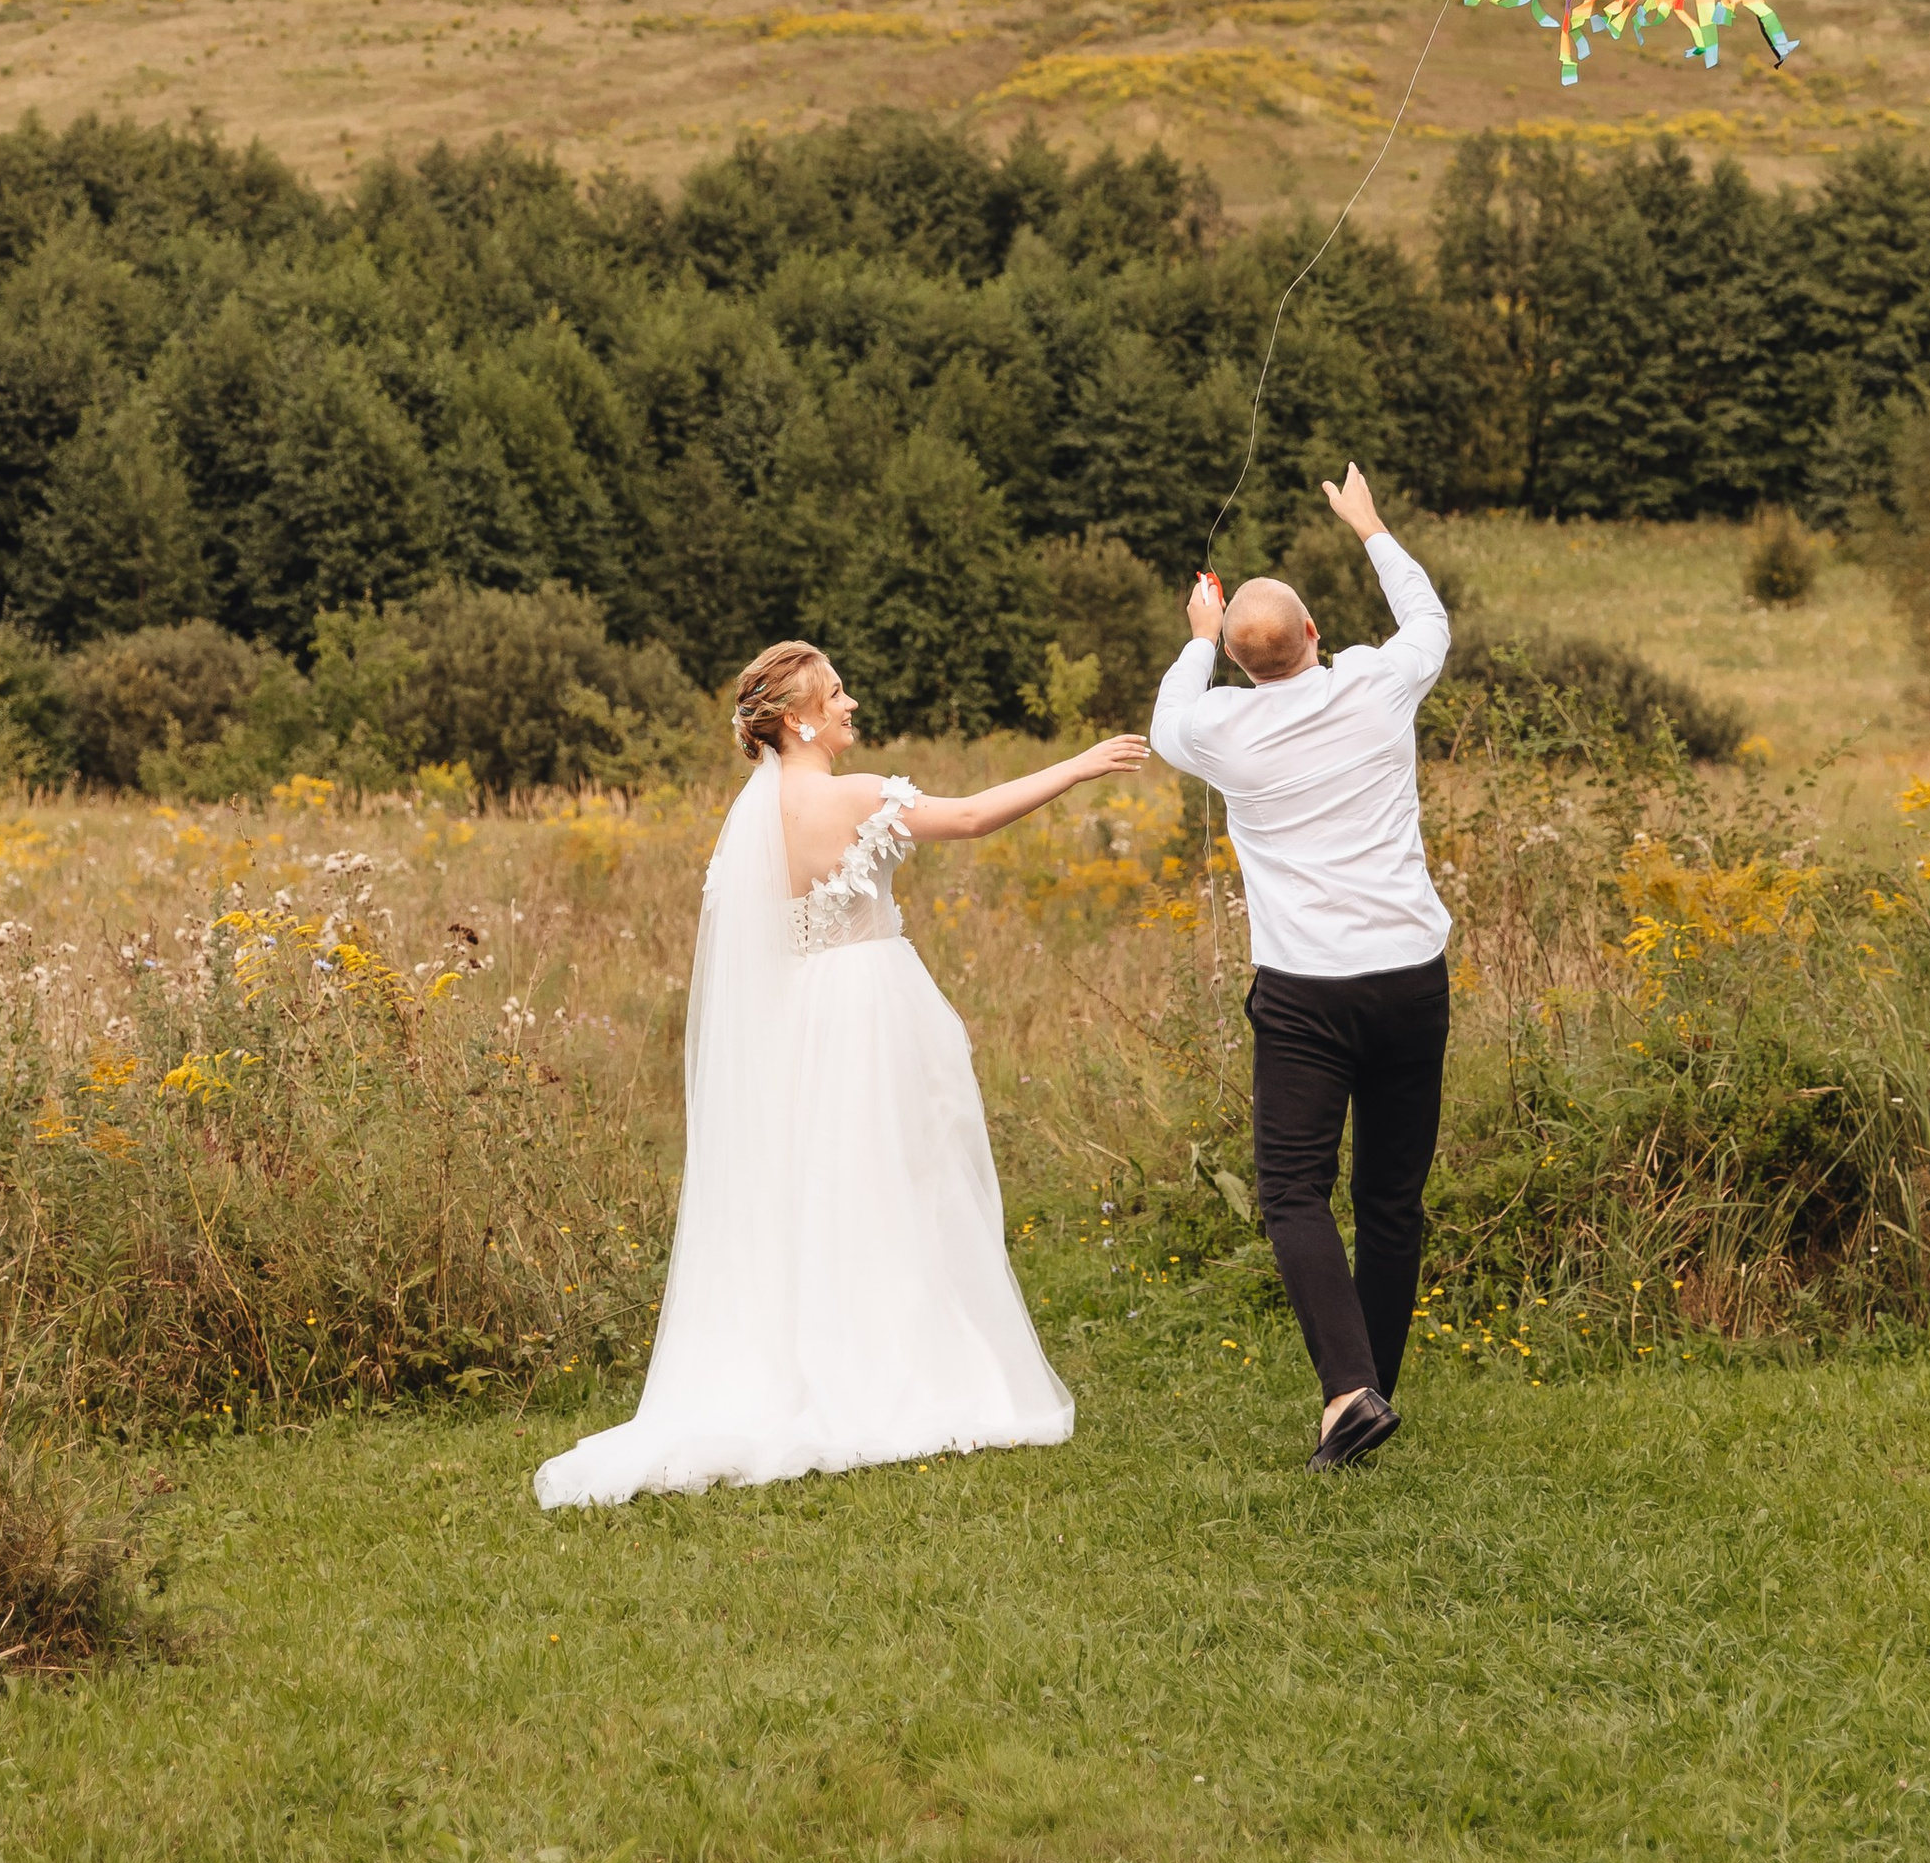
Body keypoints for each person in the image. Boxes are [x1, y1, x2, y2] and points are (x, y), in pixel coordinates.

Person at [532, 642, 1148, 1509]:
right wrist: (1078, 766)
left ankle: (830, 1359)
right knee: (903, 1185)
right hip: (870, 1006)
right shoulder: (853, 797)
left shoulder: (753, 821)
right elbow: (973, 818)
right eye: (835, 693)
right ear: (796, 720)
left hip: (800, 1018)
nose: (851, 703)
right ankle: (903, 1373)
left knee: (822, 1189)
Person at [1151, 461, 1451, 1472]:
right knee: (1390, 1199)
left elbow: (1165, 721)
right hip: (1409, 976)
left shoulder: (1221, 730)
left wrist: (1199, 636)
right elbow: (1427, 622)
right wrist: (1368, 526)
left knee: (1291, 1189)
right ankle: (1367, 1397)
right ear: (1318, 633)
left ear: (1241, 665)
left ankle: (1351, 1393)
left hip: (1304, 993)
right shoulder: (1375, 684)